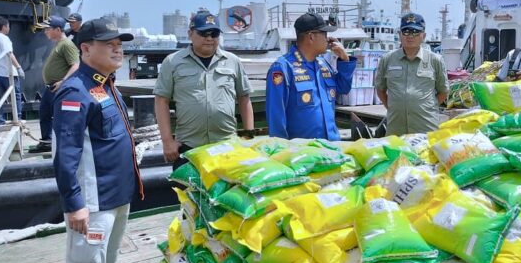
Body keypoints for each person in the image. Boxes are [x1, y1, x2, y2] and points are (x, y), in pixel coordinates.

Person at [53, 18, 143, 263]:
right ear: (86, 49)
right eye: (108, 43)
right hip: (92, 203)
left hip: (115, 195)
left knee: (106, 262)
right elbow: (66, 153)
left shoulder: (105, 85)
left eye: (119, 42)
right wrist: (74, 204)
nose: (117, 48)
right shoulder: (74, 91)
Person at [155, 11, 254, 170]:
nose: (209, 38)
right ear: (190, 34)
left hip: (227, 145)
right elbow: (161, 101)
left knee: (228, 194)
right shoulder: (173, 62)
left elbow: (244, 98)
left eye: (214, 34)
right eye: (203, 33)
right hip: (189, 148)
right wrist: (167, 142)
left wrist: (249, 136)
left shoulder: (233, 61)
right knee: (188, 193)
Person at [266, 12, 355, 140]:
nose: (328, 39)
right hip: (303, 153)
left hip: (332, 147)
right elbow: (276, 117)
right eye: (324, 34)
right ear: (311, 37)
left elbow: (343, 89)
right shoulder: (283, 68)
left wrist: (345, 59)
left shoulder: (323, 64)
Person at [375, 12, 448, 135]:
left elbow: (444, 91)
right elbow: (380, 89)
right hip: (396, 128)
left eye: (415, 32)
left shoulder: (435, 60)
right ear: (400, 35)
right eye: (406, 32)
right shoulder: (387, 59)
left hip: (425, 127)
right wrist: (395, 107)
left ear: (423, 36)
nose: (410, 36)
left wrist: (427, 106)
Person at [30, 16, 79, 153]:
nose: (45, 31)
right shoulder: (58, 44)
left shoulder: (67, 45)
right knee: (45, 113)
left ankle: (62, 143)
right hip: (51, 88)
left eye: (47, 29)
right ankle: (47, 141)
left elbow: (75, 65)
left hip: (59, 88)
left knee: (60, 116)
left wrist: (63, 81)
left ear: (58, 29)